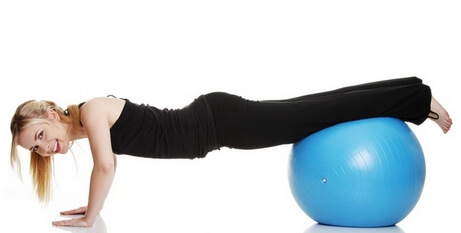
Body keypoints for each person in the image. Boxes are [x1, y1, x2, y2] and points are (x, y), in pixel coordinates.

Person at [9, 76, 452, 227]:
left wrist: (91, 216)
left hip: (220, 122)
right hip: (218, 122)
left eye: (42, 135)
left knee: (323, 111)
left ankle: (417, 100)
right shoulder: (88, 124)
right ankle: (412, 91)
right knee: (316, 109)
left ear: (51, 111)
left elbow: (106, 166)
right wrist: (91, 207)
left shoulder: (89, 112)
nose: (47, 148)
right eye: (39, 150)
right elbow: (107, 164)